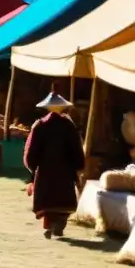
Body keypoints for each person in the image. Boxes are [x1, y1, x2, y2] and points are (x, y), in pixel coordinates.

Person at [23, 89, 85, 239]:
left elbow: (31, 151)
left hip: (45, 171)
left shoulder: (39, 126)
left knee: (48, 200)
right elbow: (77, 149)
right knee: (63, 201)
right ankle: (58, 226)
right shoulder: (69, 126)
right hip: (65, 170)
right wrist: (78, 165)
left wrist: (33, 167)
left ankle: (50, 225)